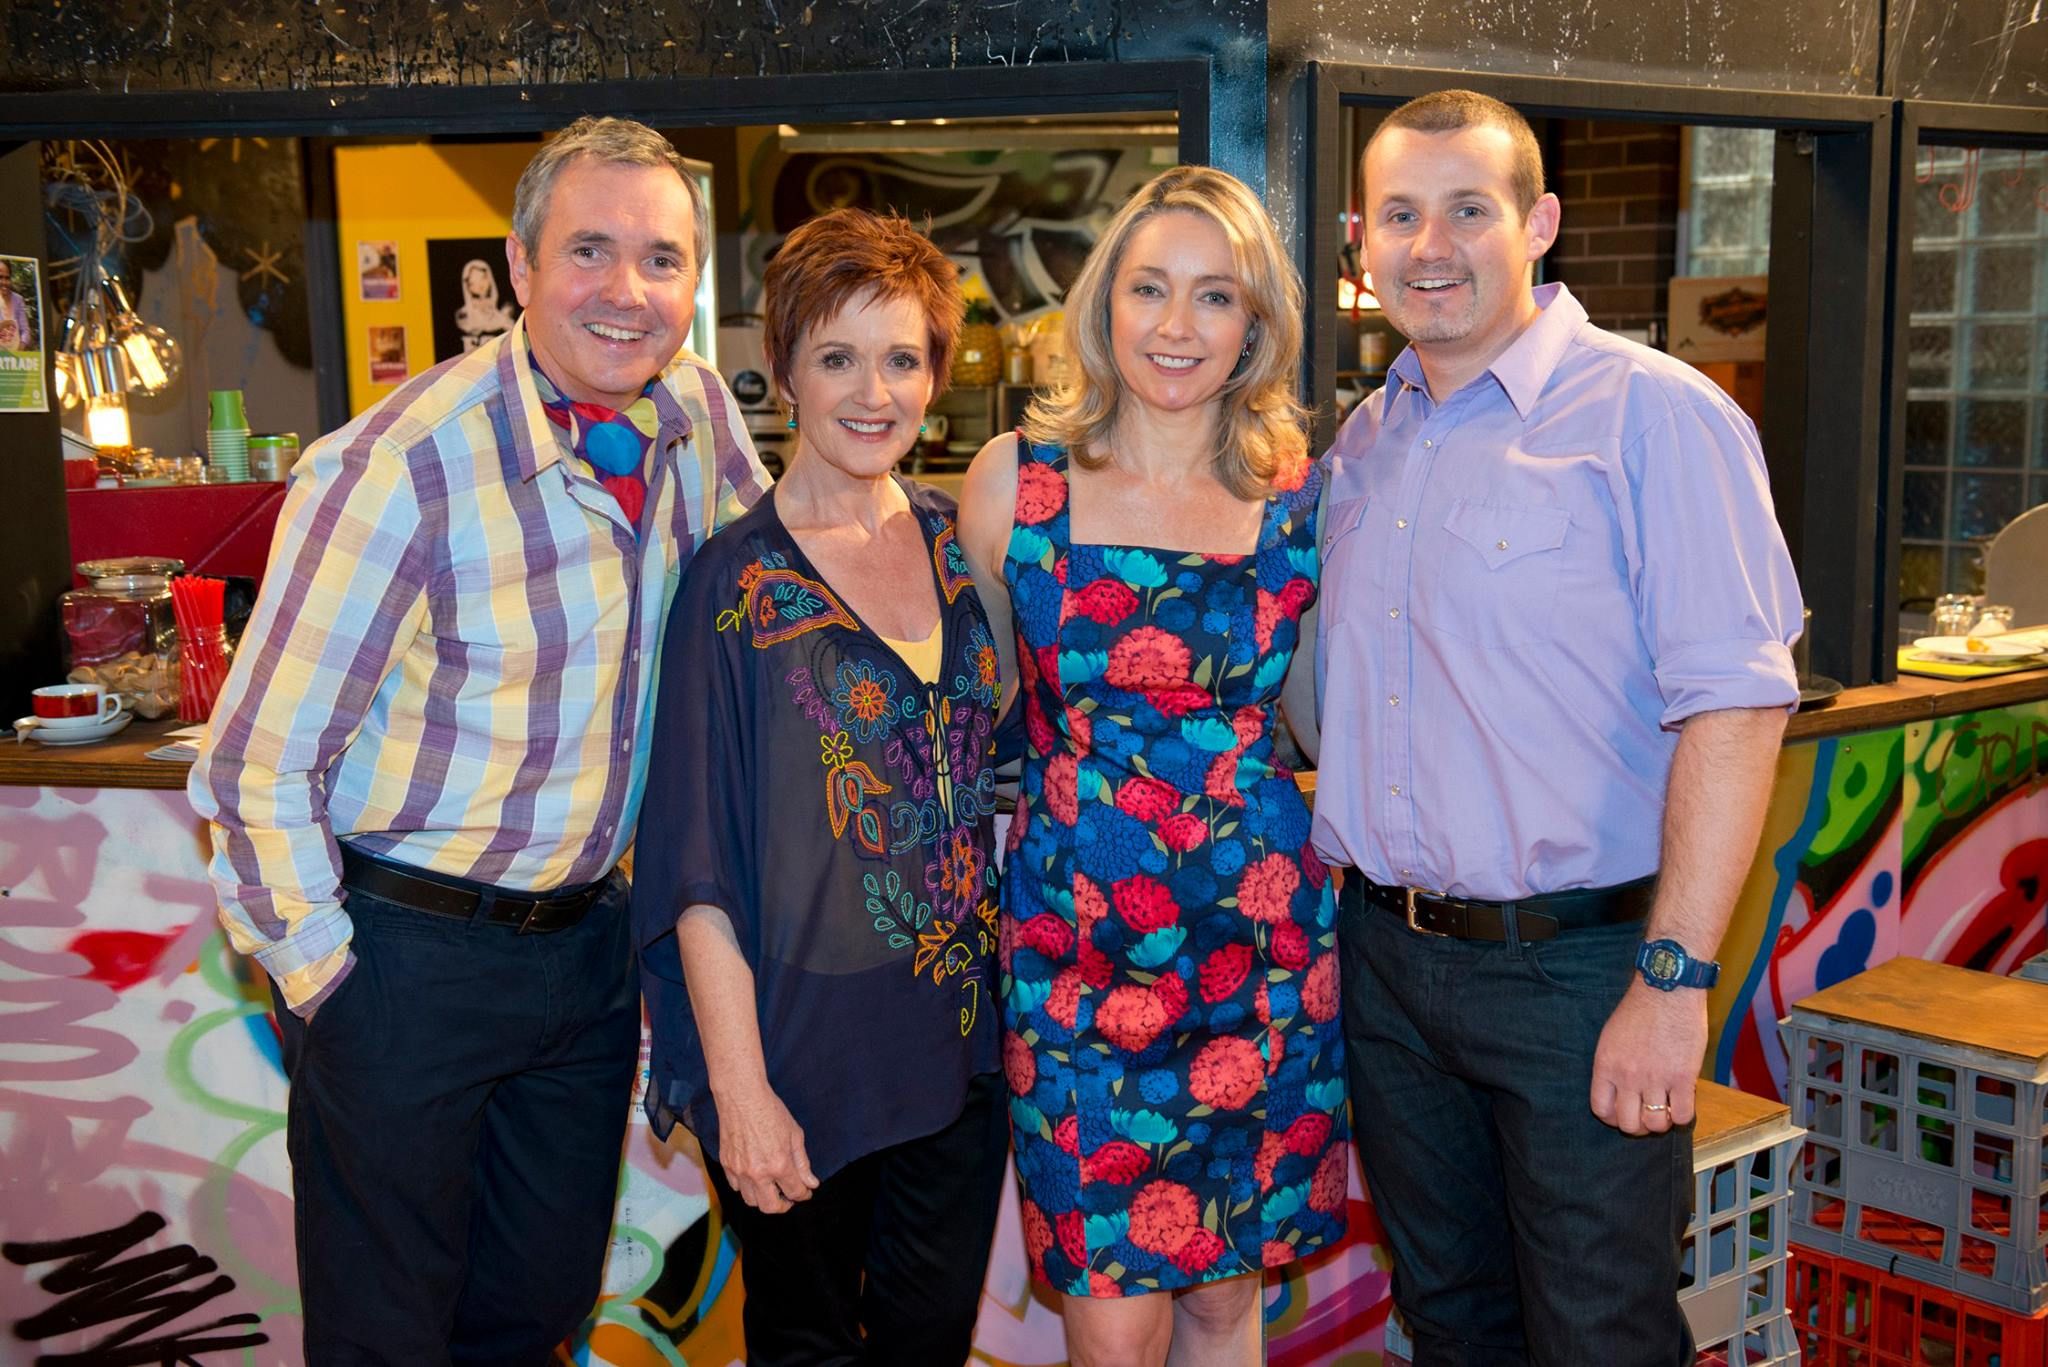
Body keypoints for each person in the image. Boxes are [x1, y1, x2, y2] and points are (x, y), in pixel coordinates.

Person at [189, 116, 770, 1366]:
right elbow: (253, 765)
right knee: (389, 1336)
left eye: (661, 259)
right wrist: (331, 987)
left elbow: (772, 604)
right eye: (589, 250)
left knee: (534, 1318)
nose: (626, 291)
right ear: (518, 264)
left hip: (588, 951)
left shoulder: (698, 413)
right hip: (407, 956)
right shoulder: (399, 465)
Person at [1308, 90, 1802, 1366]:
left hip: (1581, 971)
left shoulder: (1656, 414)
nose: (1430, 246)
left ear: (1537, 224)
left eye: (1467, 210)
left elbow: (1739, 705)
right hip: (1386, 961)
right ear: (1360, 240)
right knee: (1449, 1323)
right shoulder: (1363, 443)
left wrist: (1672, 981)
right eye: (1399, 215)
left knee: (1597, 1333)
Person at [959, 166, 1349, 1367]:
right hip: (1073, 958)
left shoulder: (1296, 498)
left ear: (1254, 324)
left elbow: (1319, 724)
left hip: (1258, 955)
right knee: (1110, 1324)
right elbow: (987, 706)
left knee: (1225, 1305)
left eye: (1214, 294)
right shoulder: (1013, 483)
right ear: (1102, 303)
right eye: (1148, 288)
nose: (1176, 324)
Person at [631, 207, 1006, 1367]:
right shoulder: (731, 583)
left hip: (957, 1050)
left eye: (901, 359)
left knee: (926, 1345)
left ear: (935, 374)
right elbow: (693, 866)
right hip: (797, 1055)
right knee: (805, 1347)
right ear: (785, 367)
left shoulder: (957, 545)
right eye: (837, 356)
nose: (871, 392)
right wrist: (739, 1090)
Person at [0, 258, 34, 350]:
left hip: (16, 354)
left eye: (7, 278)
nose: (4, 282)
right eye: (0, 277)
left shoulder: (18, 300)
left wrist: (19, 349)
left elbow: (25, 331)